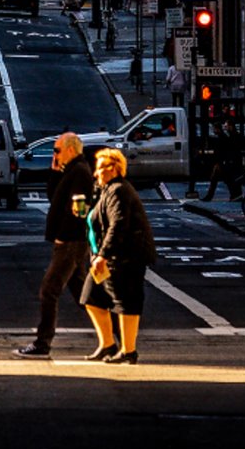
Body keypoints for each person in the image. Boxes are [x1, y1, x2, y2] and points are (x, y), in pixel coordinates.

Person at [15, 133, 94, 358]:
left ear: (71, 149)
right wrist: (55, 169)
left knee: (49, 290)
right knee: (83, 295)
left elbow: (79, 209)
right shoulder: (70, 170)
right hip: (70, 242)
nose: (54, 154)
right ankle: (115, 334)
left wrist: (64, 236)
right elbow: (53, 196)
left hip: (70, 242)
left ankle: (42, 343)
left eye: (57, 150)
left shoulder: (79, 172)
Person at [80, 147, 157, 364]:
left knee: (126, 301)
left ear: (113, 169)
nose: (96, 173)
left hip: (124, 258)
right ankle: (107, 345)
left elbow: (118, 225)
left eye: (100, 169)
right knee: (92, 297)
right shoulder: (106, 189)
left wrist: (103, 255)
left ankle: (128, 350)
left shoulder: (119, 191)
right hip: (106, 260)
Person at [202, 119, 243, 201]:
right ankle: (234, 195)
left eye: (226, 126)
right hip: (228, 161)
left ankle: (235, 195)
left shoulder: (231, 136)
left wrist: (224, 161)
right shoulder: (229, 136)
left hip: (230, 162)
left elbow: (231, 150)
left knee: (226, 178)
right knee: (223, 178)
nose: (225, 128)